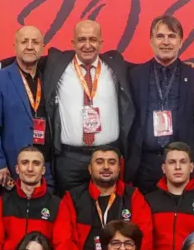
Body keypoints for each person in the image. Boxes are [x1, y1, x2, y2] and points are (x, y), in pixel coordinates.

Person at [40, 19, 135, 196]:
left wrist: (182, 66)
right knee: (70, 208)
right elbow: (28, 57)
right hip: (69, 159)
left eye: (93, 39)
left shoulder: (115, 64)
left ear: (101, 43)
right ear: (73, 43)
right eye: (82, 39)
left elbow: (146, 69)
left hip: (107, 156)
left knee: (108, 208)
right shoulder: (57, 63)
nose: (87, 45)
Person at [128, 15, 194, 194]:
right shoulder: (134, 75)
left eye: (172, 36)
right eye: (160, 36)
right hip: (145, 164)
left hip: (182, 163)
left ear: (181, 42)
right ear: (151, 41)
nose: (166, 42)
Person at [52, 145, 153, 250]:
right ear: (90, 169)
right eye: (99, 162)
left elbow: (144, 239)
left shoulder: (134, 197)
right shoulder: (72, 198)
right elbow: (64, 240)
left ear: (119, 168)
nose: (106, 167)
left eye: (112, 162)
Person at [0, 25, 52, 193]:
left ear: (42, 47)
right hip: (14, 166)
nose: (29, 46)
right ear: (15, 46)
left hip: (47, 166)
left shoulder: (49, 75)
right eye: (24, 42)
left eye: (35, 42)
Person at [0, 144, 61, 250]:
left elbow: (62, 244)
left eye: (36, 163)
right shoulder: (3, 202)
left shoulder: (56, 204)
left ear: (43, 170)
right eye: (25, 163)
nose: (30, 169)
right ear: (17, 169)